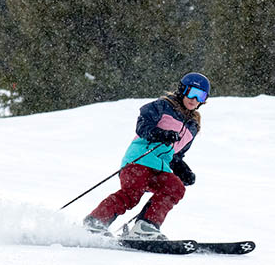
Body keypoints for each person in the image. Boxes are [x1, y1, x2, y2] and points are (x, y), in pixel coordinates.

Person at [83, 73, 209, 240]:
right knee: (131, 195)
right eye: (191, 92)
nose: (194, 98)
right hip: (139, 160)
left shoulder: (192, 126)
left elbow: (176, 154)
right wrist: (160, 134)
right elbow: (142, 126)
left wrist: (181, 169)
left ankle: (146, 226)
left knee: (175, 187)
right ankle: (96, 222)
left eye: (200, 95)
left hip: (160, 167)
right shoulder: (163, 106)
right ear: (182, 90)